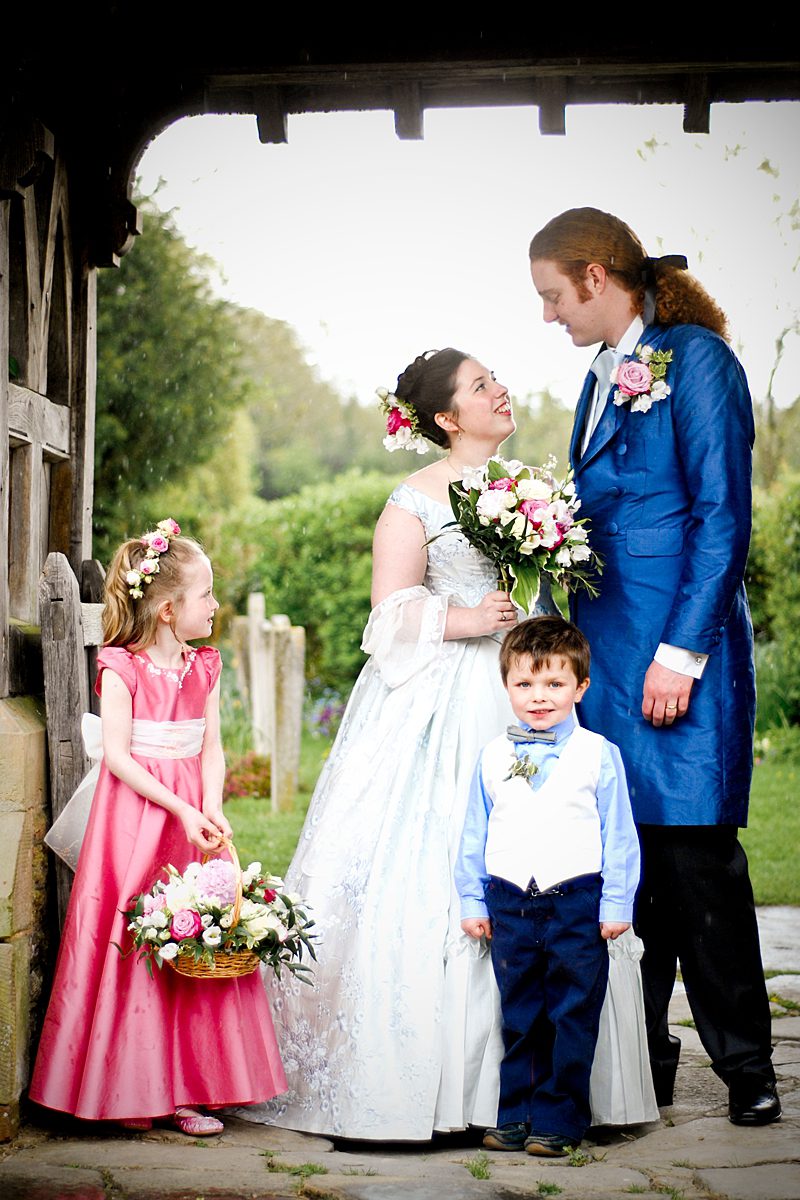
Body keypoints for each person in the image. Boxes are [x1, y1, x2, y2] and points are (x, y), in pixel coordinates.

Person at [238, 348, 555, 1141]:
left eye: (495, 378)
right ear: (448, 418)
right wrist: (466, 621)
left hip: (521, 688)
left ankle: (528, 1077)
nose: (499, 389)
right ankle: (424, 1079)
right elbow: (386, 617)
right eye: (481, 385)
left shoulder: (534, 493)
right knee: (432, 866)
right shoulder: (413, 500)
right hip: (440, 697)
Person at [528, 207, 780, 1126]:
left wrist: (683, 654)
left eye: (555, 295)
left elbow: (721, 516)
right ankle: (643, 1066)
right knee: (623, 869)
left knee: (697, 859)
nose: (549, 314)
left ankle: (748, 1067)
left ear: (598, 276)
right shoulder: (598, 380)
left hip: (680, 658)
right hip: (607, 663)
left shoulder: (698, 361)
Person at [30, 521, 287, 1133]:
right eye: (207, 595)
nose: (215, 605)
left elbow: (212, 748)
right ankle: (130, 1089)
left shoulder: (205, 665)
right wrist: (180, 809)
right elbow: (117, 755)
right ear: (169, 610)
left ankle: (191, 1084)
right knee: (137, 943)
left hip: (195, 816)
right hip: (139, 819)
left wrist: (213, 805)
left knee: (199, 941)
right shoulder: (123, 666)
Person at [457, 616, 640, 1156]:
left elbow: (620, 836)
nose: (539, 697)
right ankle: (517, 1112)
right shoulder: (493, 756)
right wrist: (473, 898)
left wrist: (615, 903)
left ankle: (561, 1118)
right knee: (519, 1013)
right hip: (511, 900)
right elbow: (474, 835)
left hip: (576, 901)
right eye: (525, 684)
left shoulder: (599, 754)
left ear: (581, 687)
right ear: (507, 685)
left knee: (571, 1013)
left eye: (554, 683)